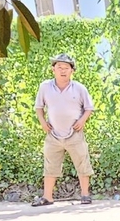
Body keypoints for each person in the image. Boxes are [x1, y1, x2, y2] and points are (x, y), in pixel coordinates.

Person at [33, 52, 94, 205]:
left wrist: (82, 121)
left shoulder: (80, 88)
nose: (63, 70)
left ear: (72, 71)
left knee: (82, 162)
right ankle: (47, 197)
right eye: (59, 67)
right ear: (53, 69)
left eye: (66, 67)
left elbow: (89, 108)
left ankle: (85, 195)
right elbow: (39, 107)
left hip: (74, 133)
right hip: (53, 133)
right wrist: (42, 122)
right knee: (50, 165)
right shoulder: (45, 87)